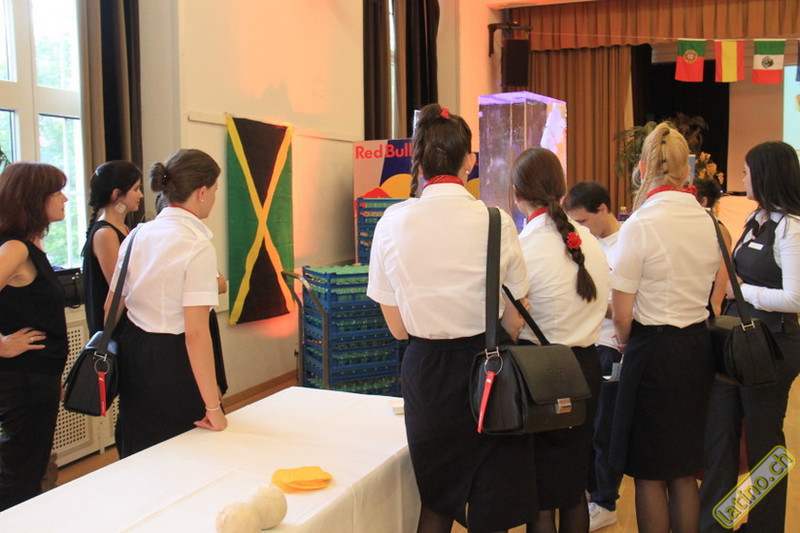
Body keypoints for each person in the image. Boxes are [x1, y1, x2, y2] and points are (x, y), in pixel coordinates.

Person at [367, 103, 537, 533]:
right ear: (469, 161)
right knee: (492, 505)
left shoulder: (391, 222)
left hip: (426, 373)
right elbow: (516, 318)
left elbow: (397, 328)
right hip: (489, 373)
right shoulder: (496, 221)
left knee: (436, 500)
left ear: (418, 164)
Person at [609, 122, 720, 533]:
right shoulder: (707, 220)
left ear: (642, 169)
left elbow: (622, 312)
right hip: (696, 348)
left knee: (650, 471)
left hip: (653, 352)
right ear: (686, 170)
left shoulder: (641, 223)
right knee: (683, 468)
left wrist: (625, 342)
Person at [699, 141, 800, 533]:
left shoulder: (791, 228)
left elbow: (794, 298)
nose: (741, 178)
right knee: (720, 435)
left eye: (746, 171)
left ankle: (765, 525)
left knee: (764, 443)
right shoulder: (756, 219)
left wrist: (742, 292)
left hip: (773, 347)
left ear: (766, 175)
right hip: (737, 344)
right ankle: (715, 523)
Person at [512, 149, 610, 533]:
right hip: (585, 368)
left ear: (517, 193)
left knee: (539, 492)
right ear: (563, 190)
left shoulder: (524, 248)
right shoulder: (590, 242)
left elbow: (510, 322)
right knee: (573, 486)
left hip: (539, 374)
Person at [108, 148, 227, 458]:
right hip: (173, 358)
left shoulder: (137, 235)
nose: (214, 198)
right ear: (201, 192)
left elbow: (111, 307)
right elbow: (195, 333)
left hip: (134, 350)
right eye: (215, 190)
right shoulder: (196, 245)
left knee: (140, 448)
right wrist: (213, 407)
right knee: (186, 450)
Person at [0, 162, 69, 511]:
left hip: (37, 377)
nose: (65, 199)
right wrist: (1, 345)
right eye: (57, 192)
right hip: (24, 380)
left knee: (28, 467)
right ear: (34, 199)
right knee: (19, 473)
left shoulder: (29, 247)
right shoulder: (15, 249)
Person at [564, 181, 622, 531]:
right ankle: (591, 492)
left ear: (603, 209)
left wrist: (595, 306)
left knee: (605, 430)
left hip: (611, 346)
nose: (581, 229)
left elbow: (628, 305)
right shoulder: (588, 245)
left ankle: (605, 500)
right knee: (585, 427)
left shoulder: (627, 243)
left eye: (584, 221)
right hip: (586, 344)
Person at [82, 161, 143, 335]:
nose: (140, 195)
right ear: (117, 195)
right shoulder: (105, 234)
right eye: (135, 189)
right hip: (115, 329)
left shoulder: (123, 229)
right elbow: (119, 288)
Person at [692, 176, 732, 318]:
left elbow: (724, 267)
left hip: (708, 295)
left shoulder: (719, 229)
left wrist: (716, 302)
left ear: (704, 201)